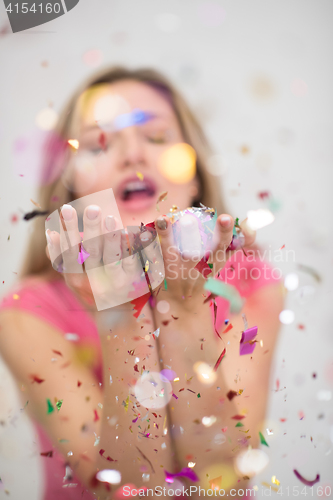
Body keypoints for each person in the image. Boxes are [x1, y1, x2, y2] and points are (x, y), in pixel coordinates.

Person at [0, 66, 285, 500]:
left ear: (193, 179)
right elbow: (130, 491)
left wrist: (186, 311)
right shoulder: (26, 313)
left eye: (155, 138)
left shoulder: (250, 282)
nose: (133, 155)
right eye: (100, 143)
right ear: (71, 189)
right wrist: (123, 304)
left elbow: (222, 485)